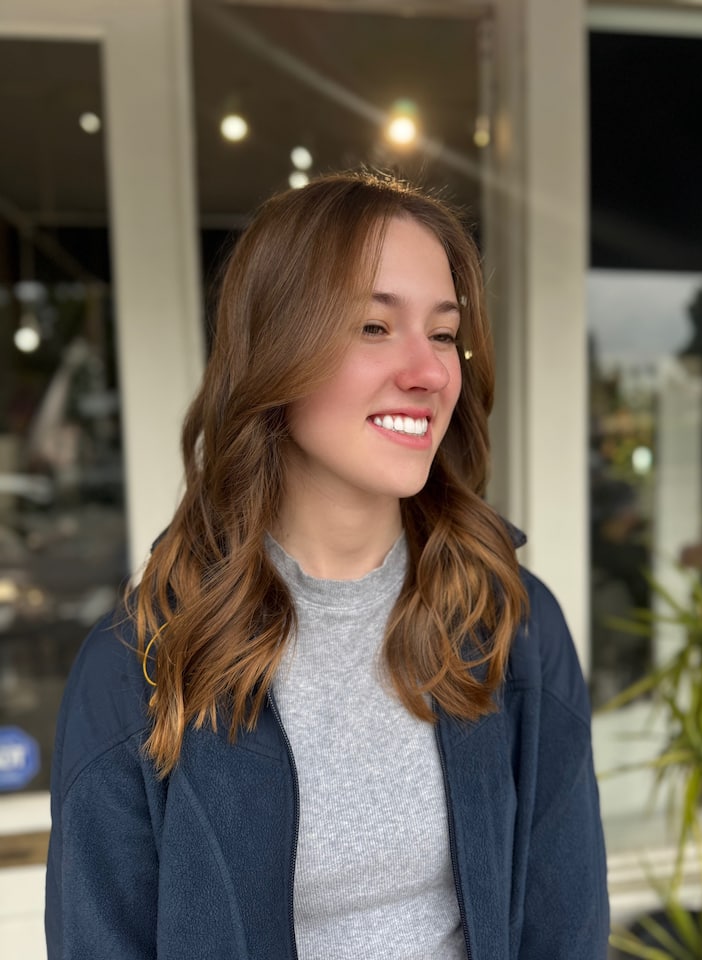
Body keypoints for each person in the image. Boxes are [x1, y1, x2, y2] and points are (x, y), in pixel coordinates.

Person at [45, 171, 609, 960]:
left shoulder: (511, 625)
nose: (428, 371)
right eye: (374, 327)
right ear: (275, 349)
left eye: (443, 333)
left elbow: (566, 927)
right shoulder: (137, 668)